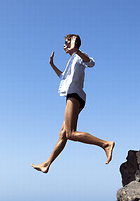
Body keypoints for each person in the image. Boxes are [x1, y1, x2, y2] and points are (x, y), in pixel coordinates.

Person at [31, 34, 115, 174]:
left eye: (66, 43)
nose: (64, 45)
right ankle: (46, 164)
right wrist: (52, 65)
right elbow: (63, 77)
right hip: (75, 96)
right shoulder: (72, 60)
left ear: (73, 44)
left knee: (70, 134)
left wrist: (76, 48)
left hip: (74, 96)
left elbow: (91, 62)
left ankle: (105, 144)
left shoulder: (79, 56)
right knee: (63, 134)